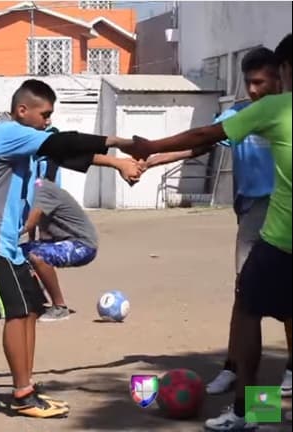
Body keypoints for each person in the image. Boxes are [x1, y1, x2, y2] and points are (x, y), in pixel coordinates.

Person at [131, 34, 292, 432]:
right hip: (258, 218)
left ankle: (250, 412)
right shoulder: (252, 110)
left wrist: (150, 144)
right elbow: (202, 145)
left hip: (281, 237)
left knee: (248, 308)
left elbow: (203, 136)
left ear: (285, 71)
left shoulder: (278, 108)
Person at [0, 78, 143, 418]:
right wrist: (122, 144)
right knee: (16, 312)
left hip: (6, 242)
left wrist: (118, 163)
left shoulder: (24, 142)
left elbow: (68, 154)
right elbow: (64, 143)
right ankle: (23, 396)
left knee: (29, 310)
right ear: (22, 110)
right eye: (45, 114)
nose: (47, 121)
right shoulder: (6, 132)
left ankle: (27, 389)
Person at [19, 179, 101, 322]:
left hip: (83, 245)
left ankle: (60, 307)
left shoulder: (41, 189)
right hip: (61, 242)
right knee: (15, 253)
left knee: (37, 256)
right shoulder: (30, 189)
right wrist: (30, 242)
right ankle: (36, 299)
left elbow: (29, 223)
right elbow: (32, 225)